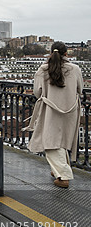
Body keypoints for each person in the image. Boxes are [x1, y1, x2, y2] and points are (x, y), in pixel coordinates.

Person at [24, 42, 83, 188]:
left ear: (50, 53)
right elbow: (80, 89)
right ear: (66, 54)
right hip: (70, 109)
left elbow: (37, 92)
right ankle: (57, 169)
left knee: (50, 141)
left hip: (50, 109)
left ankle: (63, 176)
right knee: (63, 139)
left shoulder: (43, 69)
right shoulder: (75, 69)